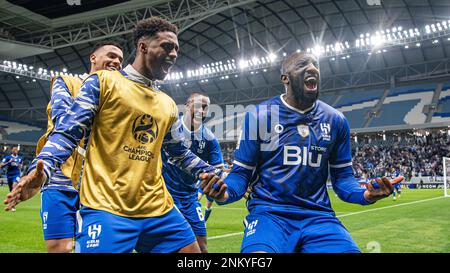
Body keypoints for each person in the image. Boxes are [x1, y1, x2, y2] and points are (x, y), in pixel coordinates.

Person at [4, 16, 220, 253]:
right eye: (167, 46)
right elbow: (67, 132)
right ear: (143, 46)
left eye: (177, 49)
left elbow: (178, 152)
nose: (174, 54)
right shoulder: (102, 82)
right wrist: (42, 170)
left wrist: (211, 171)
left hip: (159, 208)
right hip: (107, 207)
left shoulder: (166, 103)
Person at [200, 52, 397, 253]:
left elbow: (343, 179)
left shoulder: (336, 120)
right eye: (302, 65)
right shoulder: (259, 116)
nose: (312, 68)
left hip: (319, 217)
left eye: (315, 65)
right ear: (285, 78)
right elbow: (241, 175)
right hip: (269, 215)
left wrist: (366, 194)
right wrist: (224, 193)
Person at [34, 41, 124, 253]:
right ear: (93, 58)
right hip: (60, 179)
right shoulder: (67, 81)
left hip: (99, 184)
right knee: (60, 248)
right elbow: (63, 119)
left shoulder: (120, 96)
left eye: (120, 59)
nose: (117, 62)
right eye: (111, 56)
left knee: (99, 248)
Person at [162, 92, 224, 253]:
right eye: (198, 106)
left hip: (190, 198)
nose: (201, 111)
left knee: (202, 247)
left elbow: (219, 172)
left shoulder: (210, 139)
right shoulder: (169, 129)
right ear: (187, 105)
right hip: (164, 196)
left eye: (205, 108)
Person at [0, 146, 23, 211]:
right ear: (12, 151)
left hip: (16, 175)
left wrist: (20, 166)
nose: (15, 150)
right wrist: (9, 162)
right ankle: (11, 202)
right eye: (14, 149)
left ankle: (12, 206)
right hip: (9, 175)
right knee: (11, 190)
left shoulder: (20, 158)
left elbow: (21, 167)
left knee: (14, 187)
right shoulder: (7, 158)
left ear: (17, 151)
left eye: (16, 149)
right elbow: (1, 166)